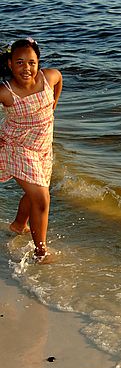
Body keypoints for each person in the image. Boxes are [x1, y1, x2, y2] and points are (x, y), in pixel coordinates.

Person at [0, 38, 62, 262]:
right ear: (9, 64)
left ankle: (18, 225)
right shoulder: (6, 92)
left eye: (32, 63)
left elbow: (59, 80)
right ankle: (41, 251)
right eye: (19, 62)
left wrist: (53, 104)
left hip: (43, 145)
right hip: (17, 146)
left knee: (37, 190)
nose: (27, 68)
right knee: (42, 197)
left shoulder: (49, 77)